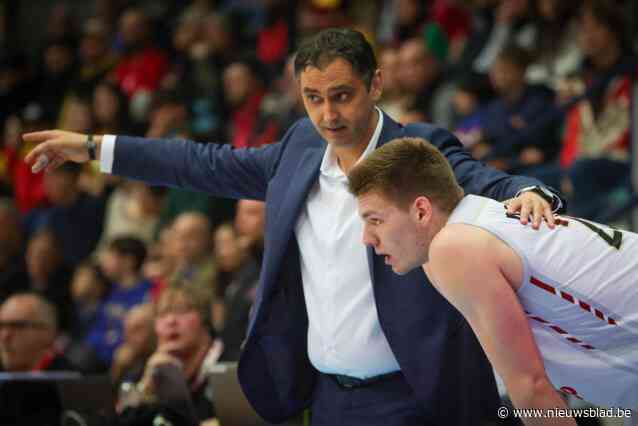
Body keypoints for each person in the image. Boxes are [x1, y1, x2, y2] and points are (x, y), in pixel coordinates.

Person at [24, 28, 563, 426]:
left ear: (375, 84)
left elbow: (477, 177)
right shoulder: (298, 150)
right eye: (314, 98)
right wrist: (95, 148)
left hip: (412, 397)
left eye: (342, 95)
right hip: (325, 399)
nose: (328, 114)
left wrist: (528, 192)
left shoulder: (416, 148)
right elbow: (200, 162)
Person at [347, 137, 638, 425]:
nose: (367, 239)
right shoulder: (478, 218)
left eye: (375, 220)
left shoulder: (453, 247)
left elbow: (531, 387)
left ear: (421, 211)